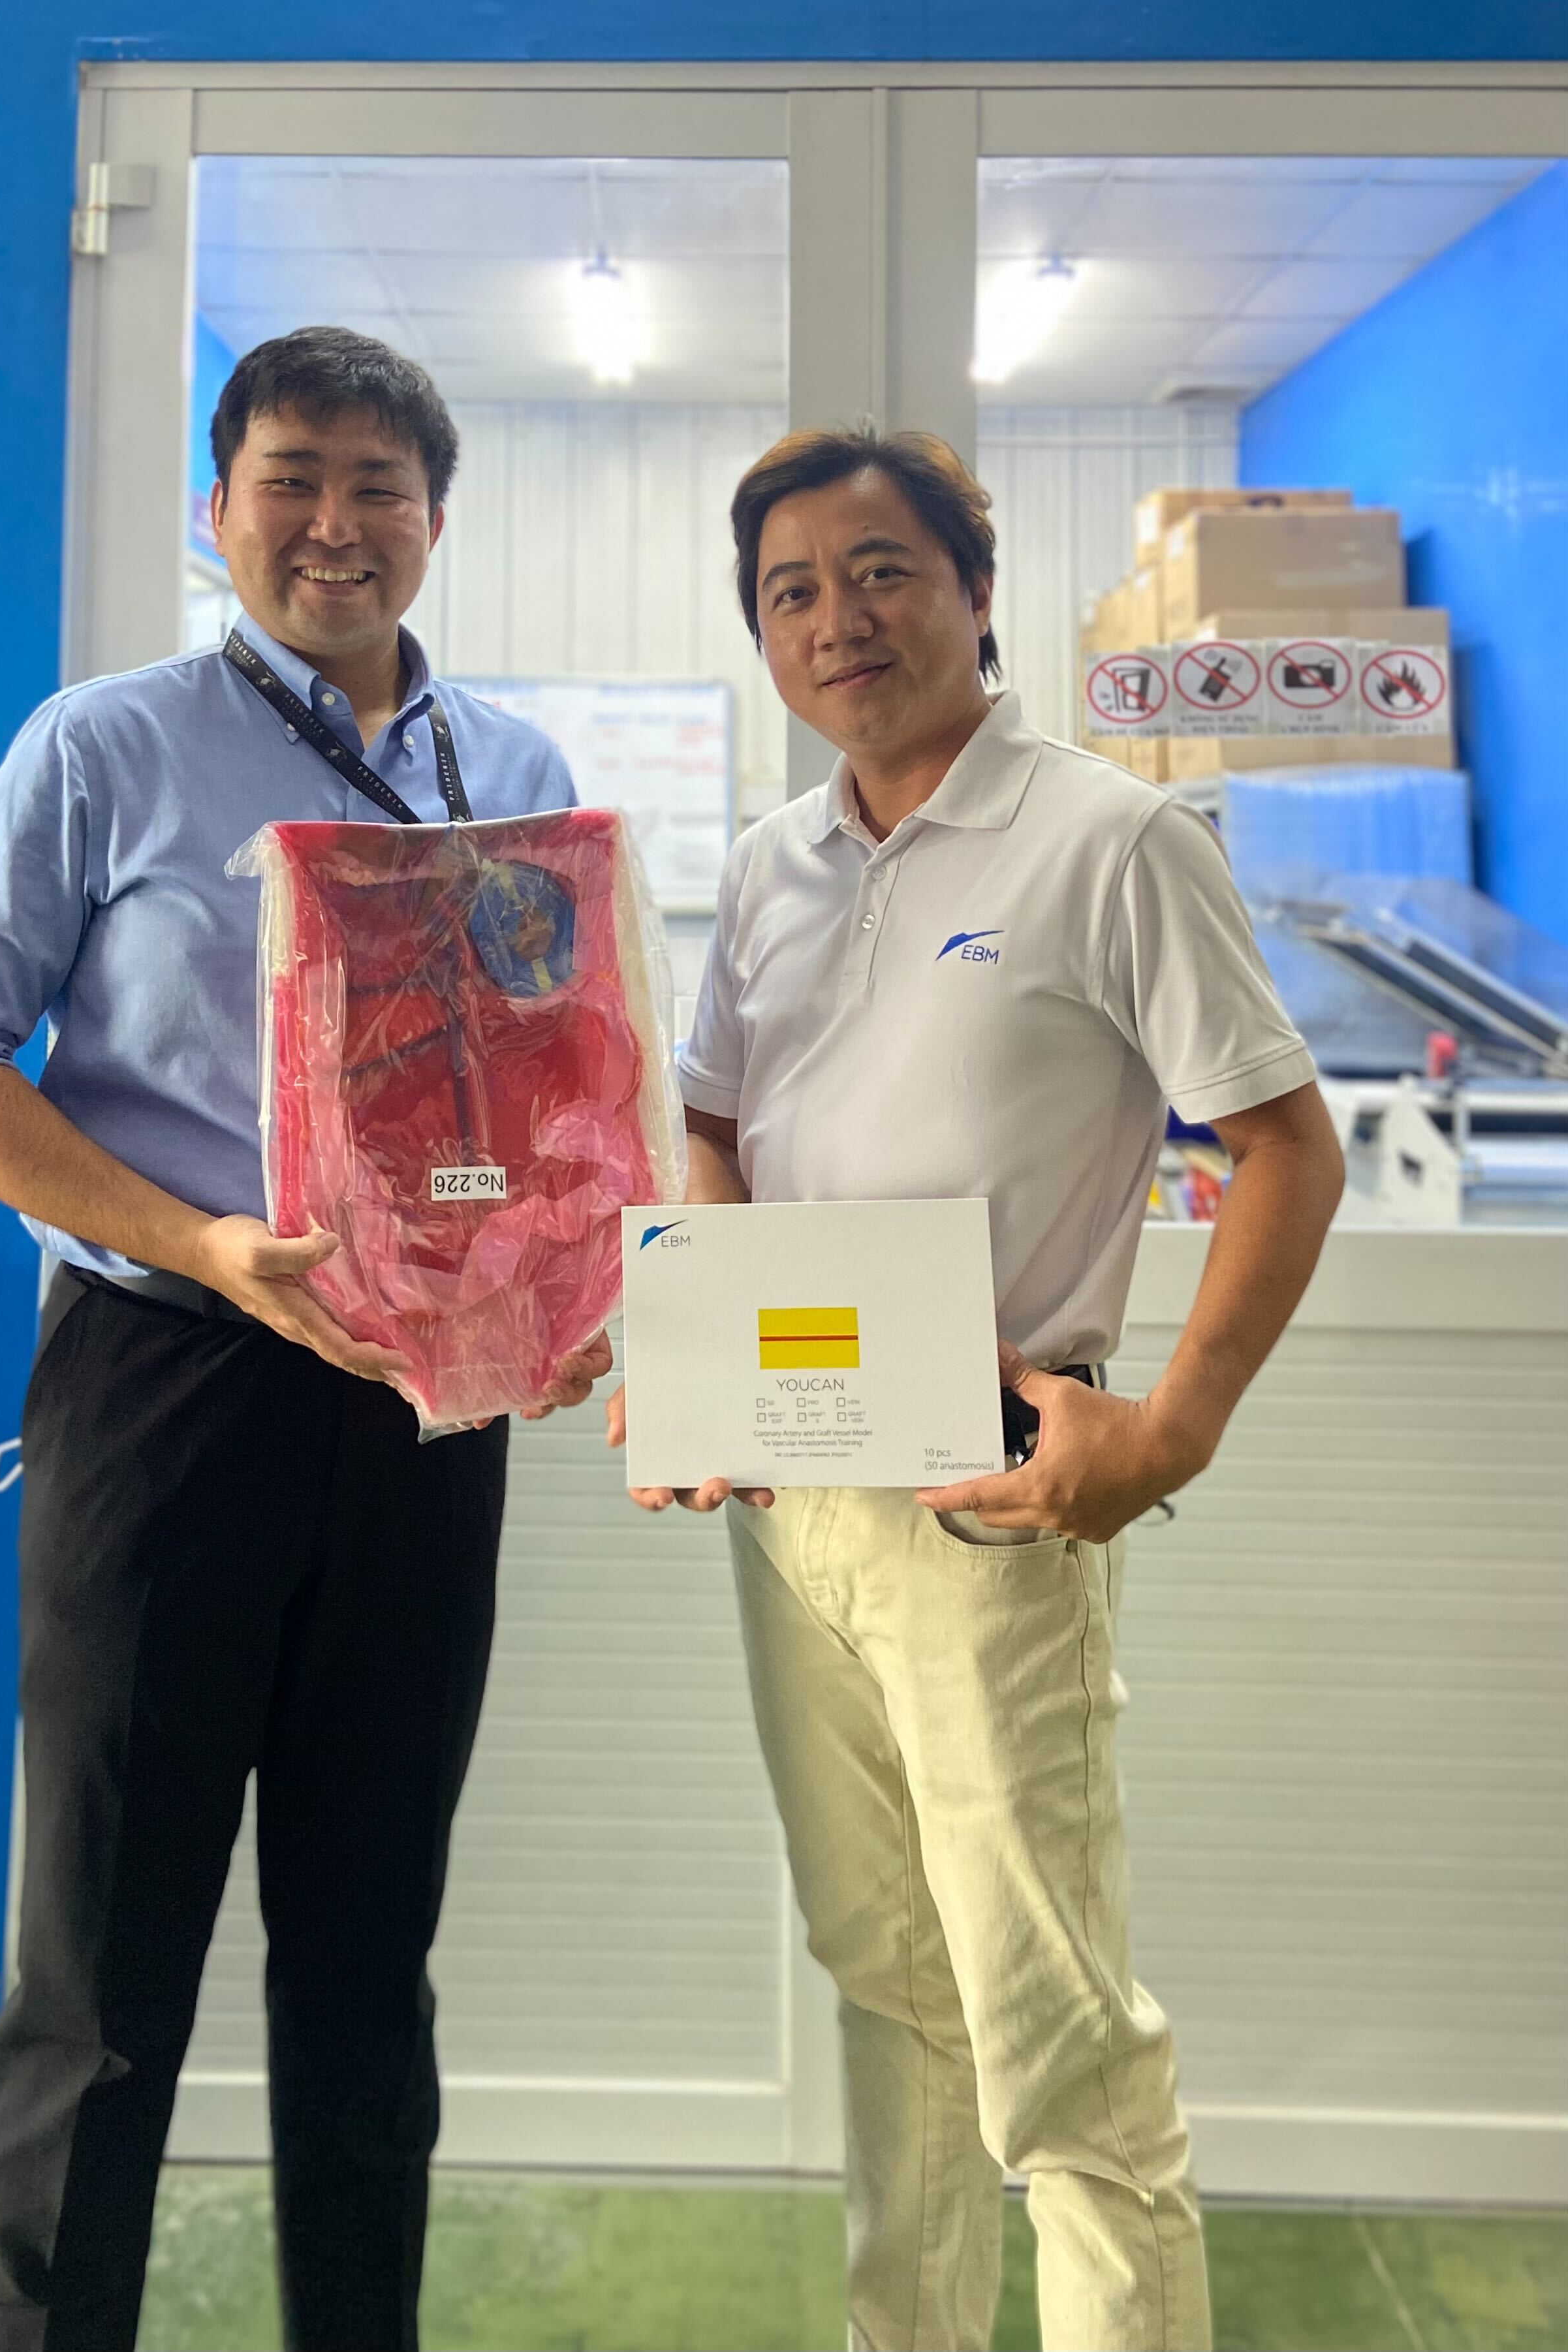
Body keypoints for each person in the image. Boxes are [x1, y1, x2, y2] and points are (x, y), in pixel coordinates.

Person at [0, 326, 610, 2352]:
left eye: (379, 487)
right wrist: (196, 1238)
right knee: (100, 1979)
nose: (335, 523)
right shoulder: (106, 746)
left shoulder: (517, 777)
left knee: (369, 1962)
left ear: (436, 522)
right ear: (220, 509)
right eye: (293, 477)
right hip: (169, 1382)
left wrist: (564, 1288)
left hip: (429, 1407)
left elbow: (553, 1095)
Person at [608, 426, 1345, 2352]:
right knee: (889, 1981)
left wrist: (1169, 1432)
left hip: (996, 1500)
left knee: (1054, 2041)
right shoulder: (768, 869)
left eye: (881, 573)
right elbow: (709, 1124)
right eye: (791, 591)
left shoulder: (1110, 841)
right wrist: (703, 1358)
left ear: (975, 590)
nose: (838, 621)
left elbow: (1289, 1145)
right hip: (794, 1513)